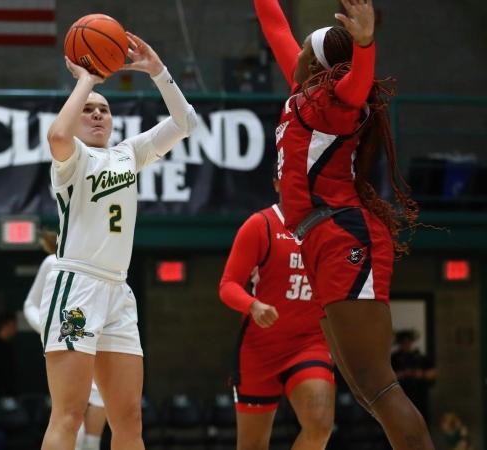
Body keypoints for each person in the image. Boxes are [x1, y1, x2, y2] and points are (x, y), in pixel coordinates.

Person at [253, 0, 433, 448]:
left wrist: (366, 43)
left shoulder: (330, 103)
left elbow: (357, 85)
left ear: (313, 62)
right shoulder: (304, 95)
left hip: (344, 237)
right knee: (366, 390)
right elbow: (273, 23)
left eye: (302, 49)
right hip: (322, 238)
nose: (291, 51)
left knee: (379, 386)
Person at [41, 31, 197, 450]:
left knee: (128, 419)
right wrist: (87, 80)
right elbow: (57, 136)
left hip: (117, 290)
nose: (96, 115)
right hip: (77, 285)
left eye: (104, 111)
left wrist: (158, 70)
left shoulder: (129, 153)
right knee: (70, 415)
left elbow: (186, 123)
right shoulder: (71, 158)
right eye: (88, 110)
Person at [219, 169, 334, 450]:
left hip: (310, 345)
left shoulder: (329, 227)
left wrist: (359, 252)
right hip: (260, 350)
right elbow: (228, 285)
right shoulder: (260, 225)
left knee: (320, 426)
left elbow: (354, 258)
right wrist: (253, 304)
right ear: (277, 184)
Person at [23, 229, 107, 450]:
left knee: (99, 405)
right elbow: (30, 304)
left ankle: (91, 444)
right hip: (66, 341)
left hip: (97, 340)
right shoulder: (52, 263)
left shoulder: (103, 262)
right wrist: (46, 328)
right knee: (69, 418)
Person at [391, 330, 436, 419]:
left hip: (418, 394)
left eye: (408, 342)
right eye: (404, 342)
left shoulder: (418, 357)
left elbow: (432, 373)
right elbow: (388, 376)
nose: (406, 344)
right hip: (401, 395)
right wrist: (402, 374)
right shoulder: (394, 358)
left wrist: (420, 374)